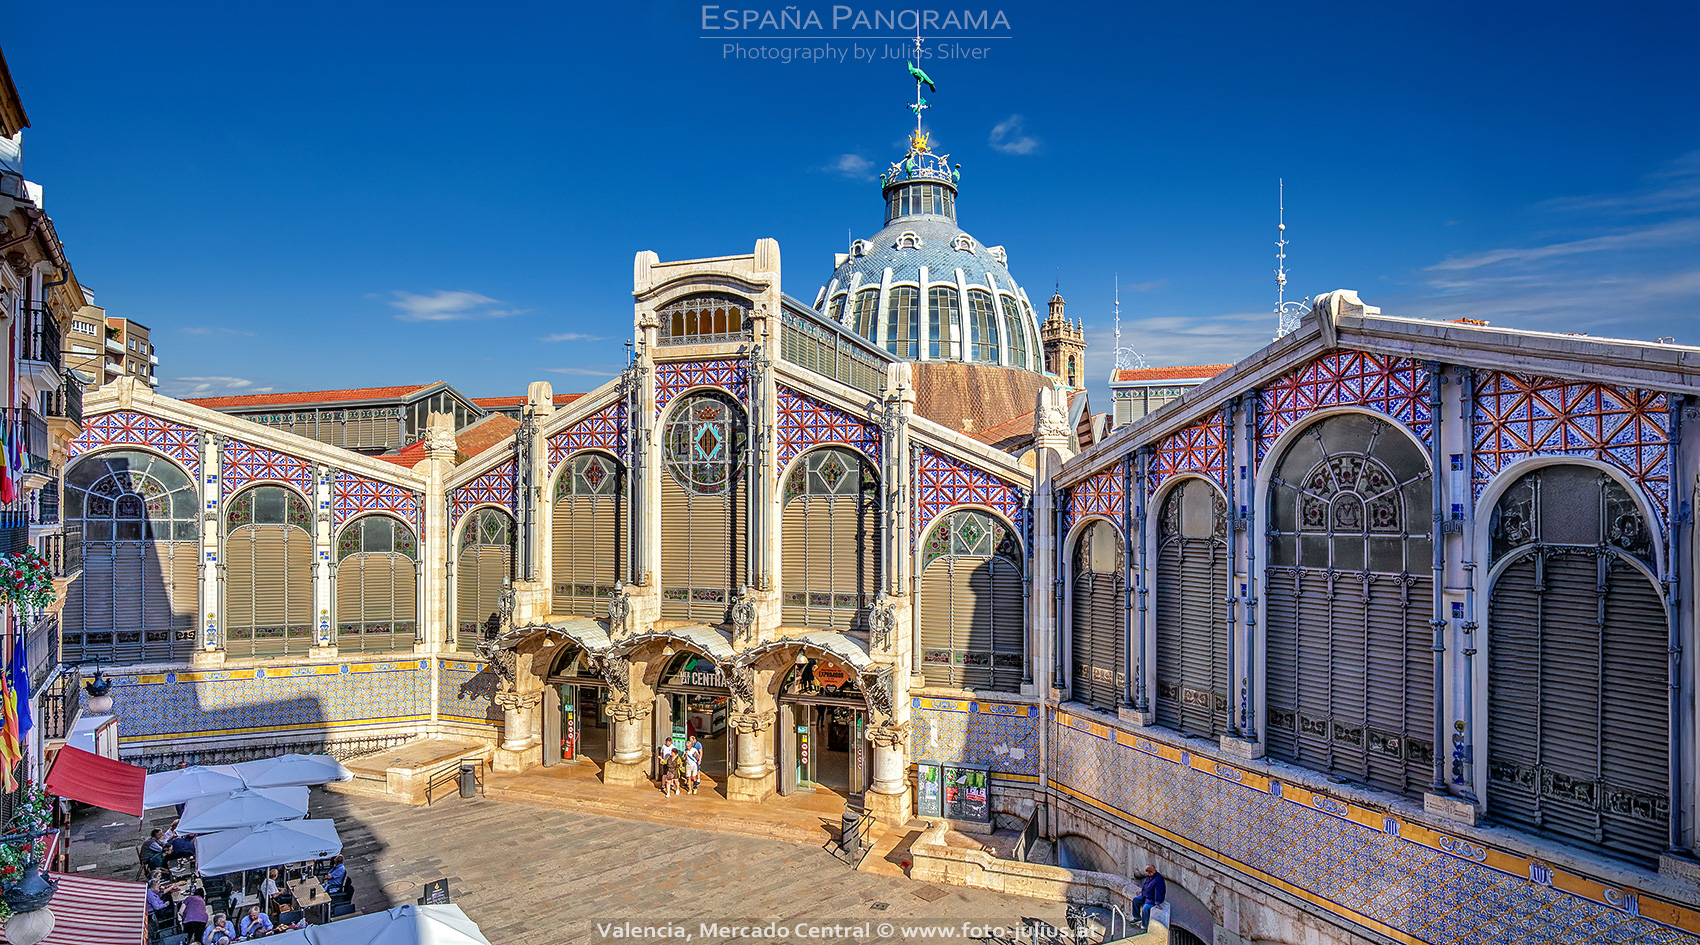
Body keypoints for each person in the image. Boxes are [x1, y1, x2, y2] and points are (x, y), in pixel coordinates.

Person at [1131, 864, 1166, 929]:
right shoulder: (1148, 876)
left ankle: (1144, 925)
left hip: (1152, 898)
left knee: (1145, 908)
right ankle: (1137, 918)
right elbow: (1145, 885)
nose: (1147, 874)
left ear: (1151, 872)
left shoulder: (1158, 879)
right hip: (1145, 895)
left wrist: (1157, 902)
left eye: (1148, 873)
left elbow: (1158, 891)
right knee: (1135, 900)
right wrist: (1142, 891)